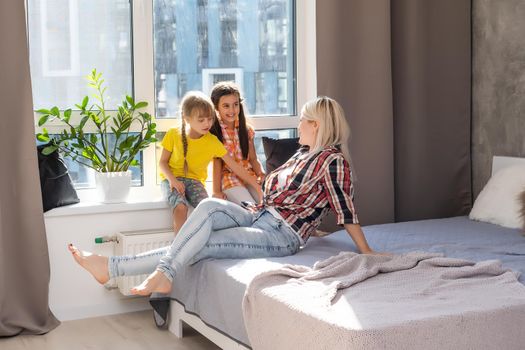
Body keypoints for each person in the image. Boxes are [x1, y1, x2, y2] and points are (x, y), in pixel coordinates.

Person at [68, 96, 378, 296]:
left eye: (302, 119)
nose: (297, 124)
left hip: (281, 234)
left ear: (316, 124)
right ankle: (150, 274)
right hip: (259, 214)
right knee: (209, 205)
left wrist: (365, 250)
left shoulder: (333, 161)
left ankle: (118, 268)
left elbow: (344, 210)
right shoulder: (304, 153)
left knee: (203, 243)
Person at [158, 91, 262, 234]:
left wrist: (256, 185)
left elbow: (236, 167)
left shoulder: (212, 141)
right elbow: (162, 163)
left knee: (209, 208)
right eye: (201, 120)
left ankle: (204, 245)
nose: (207, 124)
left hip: (195, 181)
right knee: (181, 207)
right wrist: (173, 181)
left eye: (209, 119)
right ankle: (178, 248)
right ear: (187, 118)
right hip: (171, 179)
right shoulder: (173, 134)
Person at [209, 81, 265, 205]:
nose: (232, 110)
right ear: (216, 107)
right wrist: (216, 191)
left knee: (266, 205)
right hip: (229, 179)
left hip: (250, 176)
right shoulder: (215, 132)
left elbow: (254, 159)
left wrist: (261, 173)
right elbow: (216, 163)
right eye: (226, 106)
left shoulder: (246, 130)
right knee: (251, 208)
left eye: (235, 104)